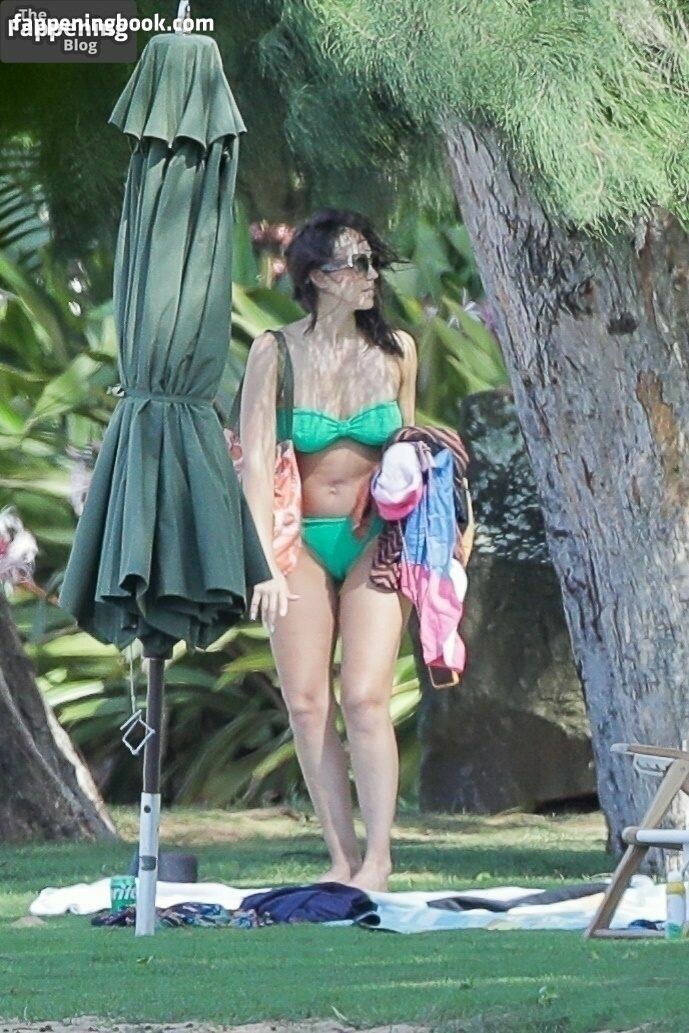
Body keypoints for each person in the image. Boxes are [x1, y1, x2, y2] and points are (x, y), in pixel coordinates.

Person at [239, 209, 417, 892]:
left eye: (373, 263)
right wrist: (263, 562)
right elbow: (257, 463)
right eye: (358, 264)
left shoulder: (396, 351)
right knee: (308, 703)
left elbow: (407, 452)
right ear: (318, 276)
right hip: (299, 541)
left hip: (374, 536)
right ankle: (342, 857)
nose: (371, 277)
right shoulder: (275, 352)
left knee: (366, 697)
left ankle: (379, 859)